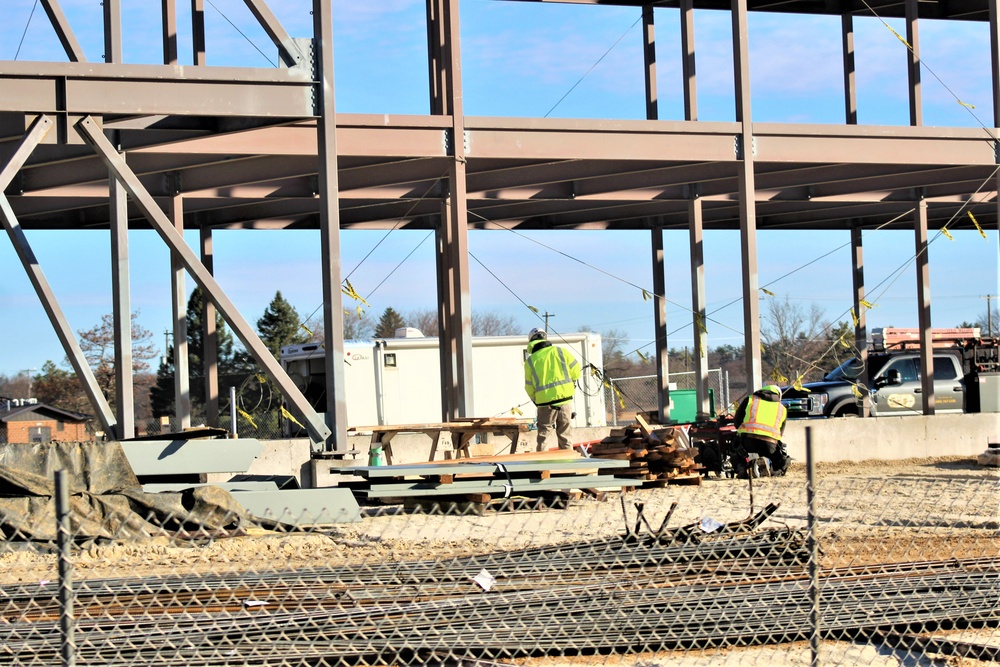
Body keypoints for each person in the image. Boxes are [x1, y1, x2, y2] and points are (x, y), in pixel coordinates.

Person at [523, 328, 581, 451]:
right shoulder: (561, 351)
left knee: (544, 436)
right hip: (565, 399)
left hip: (544, 404)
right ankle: (567, 467)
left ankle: (543, 468)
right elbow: (576, 370)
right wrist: (570, 384)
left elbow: (529, 386)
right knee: (566, 435)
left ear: (531, 342)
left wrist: (536, 400)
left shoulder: (530, 361)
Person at [733, 384, 790, 477]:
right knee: (779, 463)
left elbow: (737, 422)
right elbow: (780, 433)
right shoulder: (782, 408)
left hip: (748, 442)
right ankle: (769, 467)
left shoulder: (750, 400)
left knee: (734, 447)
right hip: (770, 445)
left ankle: (741, 468)